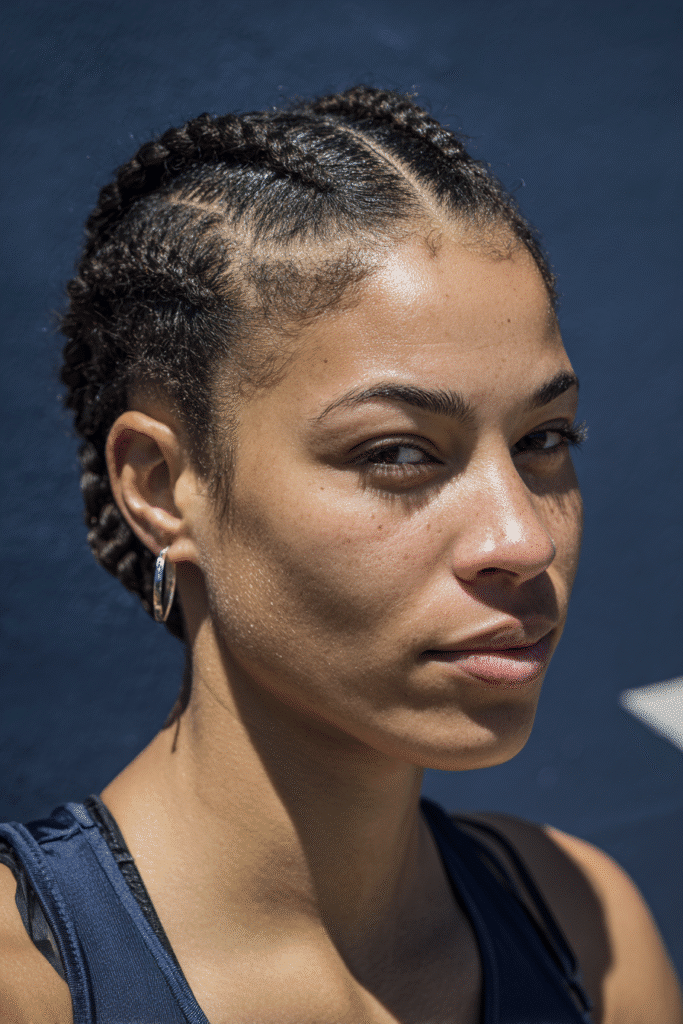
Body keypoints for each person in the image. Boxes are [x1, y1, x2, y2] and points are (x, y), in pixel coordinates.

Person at [0, 86, 680, 1024]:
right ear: (160, 487)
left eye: (543, 440)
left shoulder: (583, 928)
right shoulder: (27, 984)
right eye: (397, 454)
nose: (519, 540)